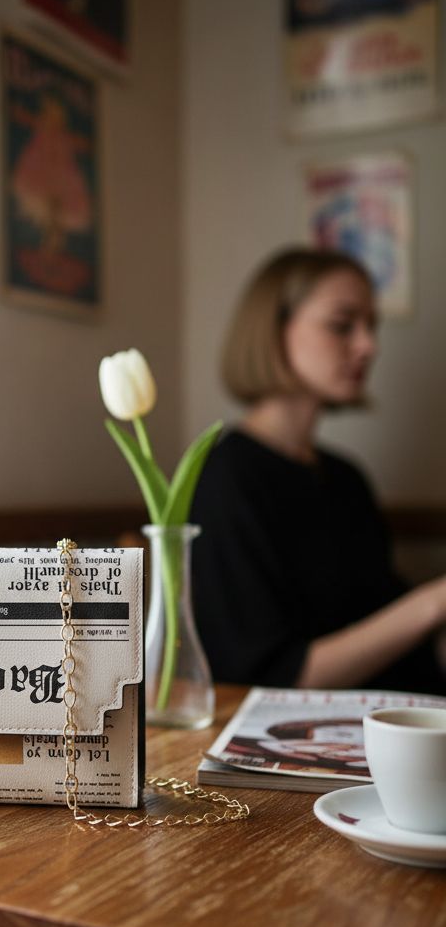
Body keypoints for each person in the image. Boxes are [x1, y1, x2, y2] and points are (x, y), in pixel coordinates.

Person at [190, 246, 446, 694]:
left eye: (371, 326)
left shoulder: (347, 478)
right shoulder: (226, 477)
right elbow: (266, 677)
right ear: (274, 330)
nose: (369, 345)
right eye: (342, 325)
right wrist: (433, 602)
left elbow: (398, 640)